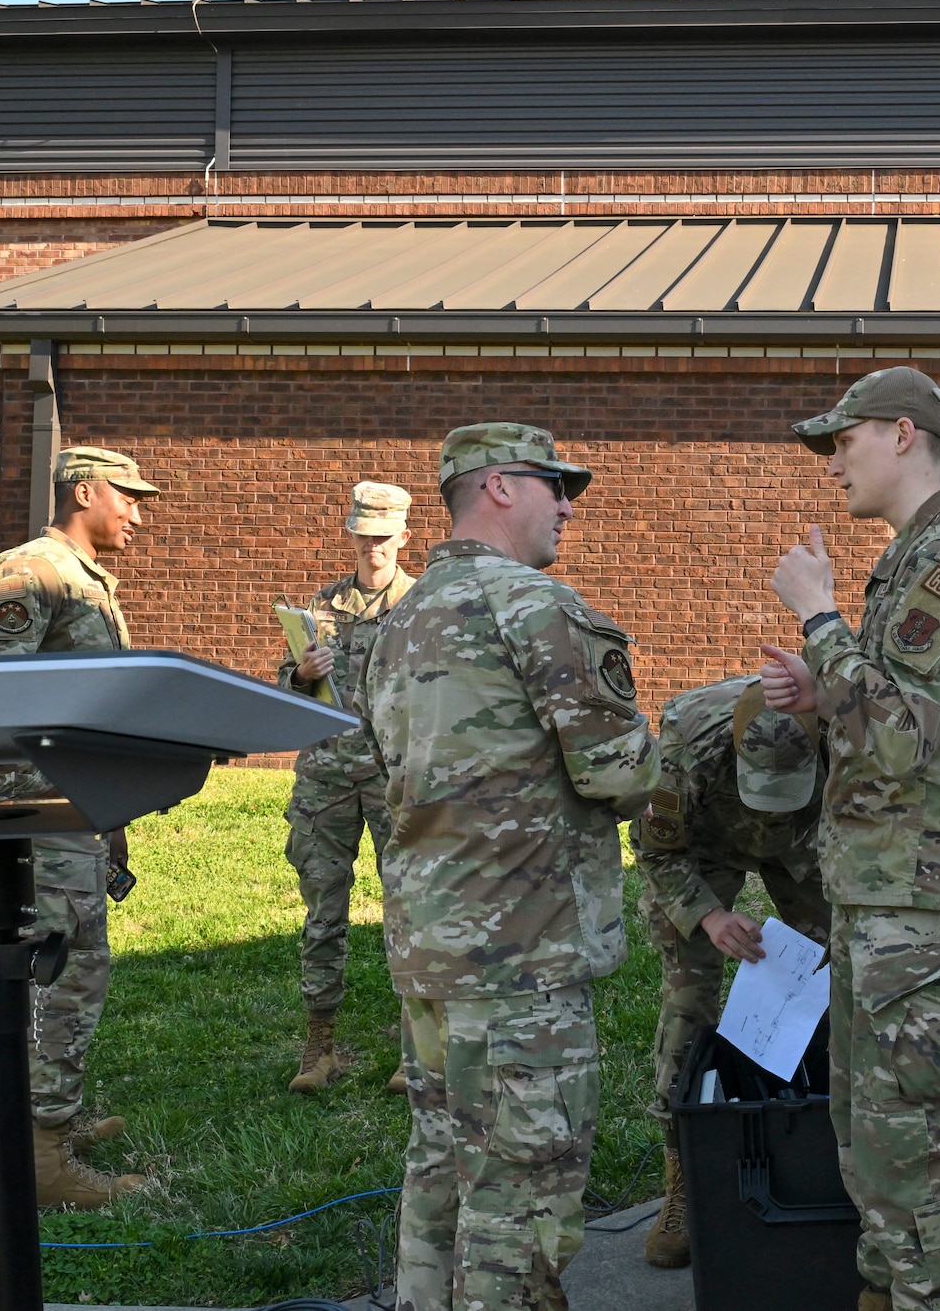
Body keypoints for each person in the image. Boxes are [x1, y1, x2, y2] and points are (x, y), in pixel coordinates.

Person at [360, 423, 659, 1311]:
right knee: (521, 1195)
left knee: (441, 1169)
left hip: (431, 950)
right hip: (522, 962)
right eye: (553, 484)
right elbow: (621, 771)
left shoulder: (399, 619)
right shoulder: (538, 608)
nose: (567, 505)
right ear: (496, 486)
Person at [758, 366, 940, 1311]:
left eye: (844, 439)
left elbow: (903, 733)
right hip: (888, 901)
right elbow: (897, 718)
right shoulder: (917, 555)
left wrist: (821, 616)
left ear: (903, 434)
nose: (833, 462)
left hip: (924, 909)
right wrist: (824, 686)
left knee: (913, 1173)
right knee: (875, 1151)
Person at [0, 445, 160, 1210]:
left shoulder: (87, 583)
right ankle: (39, 1156)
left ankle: (50, 1120)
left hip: (70, 810)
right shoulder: (30, 570)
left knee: (76, 962)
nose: (138, 514)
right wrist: (46, 808)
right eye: (128, 498)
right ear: (85, 490)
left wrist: (105, 812)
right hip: (31, 814)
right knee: (59, 971)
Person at [633, 675, 830, 1270]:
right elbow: (658, 851)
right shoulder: (685, 750)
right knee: (689, 1000)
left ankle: (833, 1140)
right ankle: (683, 1175)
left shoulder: (848, 733)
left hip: (805, 842)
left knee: (840, 972)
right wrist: (710, 916)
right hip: (708, 847)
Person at [279, 481, 417, 1096]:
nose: (373, 549)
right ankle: (320, 1046)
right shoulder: (323, 605)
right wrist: (300, 675)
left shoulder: (422, 605)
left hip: (396, 782)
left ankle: (416, 1048)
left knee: (410, 915)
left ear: (404, 539)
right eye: (363, 538)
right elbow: (287, 689)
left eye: (383, 538)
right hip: (327, 779)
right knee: (322, 912)